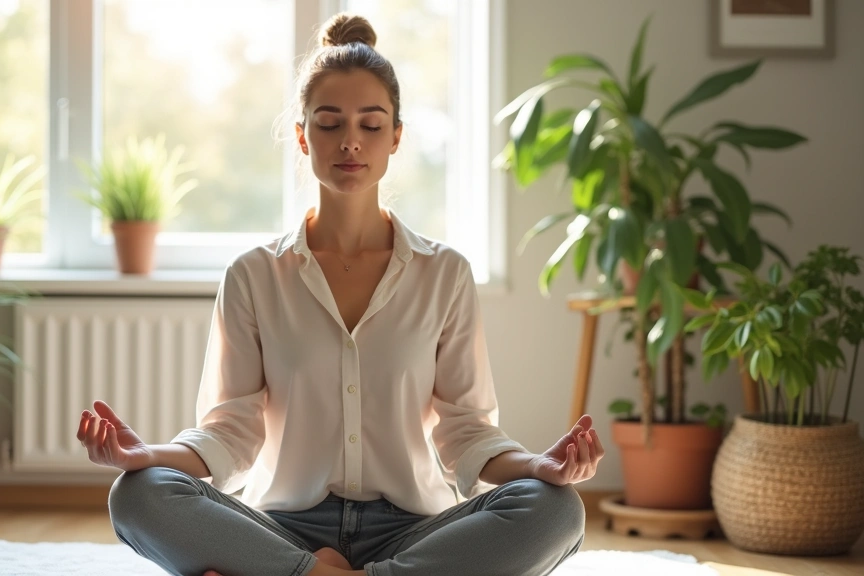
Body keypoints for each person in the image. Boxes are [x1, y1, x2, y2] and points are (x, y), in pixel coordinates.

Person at [77, 12, 603, 576]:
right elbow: (229, 430)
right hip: (284, 527)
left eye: (371, 125)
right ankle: (313, 570)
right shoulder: (254, 274)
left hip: (413, 528)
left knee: (554, 510)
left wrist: (537, 465)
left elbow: (466, 430)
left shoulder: (444, 272)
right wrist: (148, 456)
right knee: (138, 495)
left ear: (396, 136)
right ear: (302, 135)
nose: (350, 141)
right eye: (329, 123)